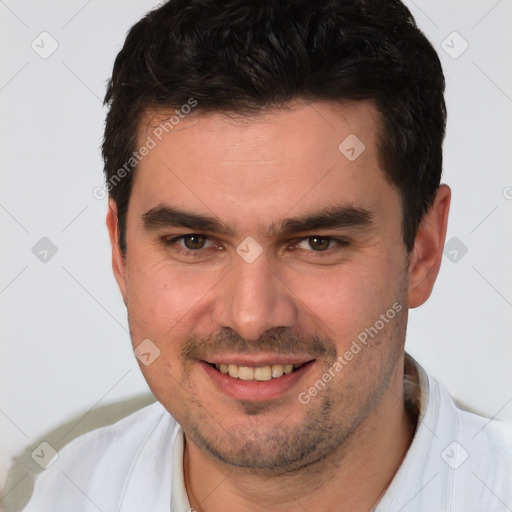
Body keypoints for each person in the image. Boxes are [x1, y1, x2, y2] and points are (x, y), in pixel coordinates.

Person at [22, 0, 511, 511]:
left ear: (423, 252)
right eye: (193, 241)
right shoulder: (70, 487)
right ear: (120, 254)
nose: (251, 318)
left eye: (317, 243)